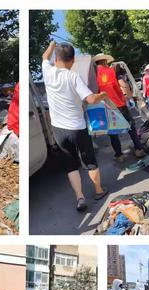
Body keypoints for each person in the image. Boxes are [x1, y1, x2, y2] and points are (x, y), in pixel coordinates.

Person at [42, 41, 110, 212]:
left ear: (56, 58)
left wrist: (51, 45)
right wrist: (102, 95)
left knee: (70, 164)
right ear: (72, 61)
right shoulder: (73, 77)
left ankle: (80, 197)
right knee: (89, 161)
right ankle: (98, 190)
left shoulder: (47, 72)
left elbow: (44, 57)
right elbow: (91, 99)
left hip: (58, 130)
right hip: (77, 128)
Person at [93, 54, 145, 161]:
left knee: (113, 132)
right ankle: (138, 149)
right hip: (119, 104)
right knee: (131, 127)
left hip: (106, 107)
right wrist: (129, 97)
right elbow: (123, 85)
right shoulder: (113, 71)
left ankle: (119, 155)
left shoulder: (94, 76)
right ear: (104, 61)